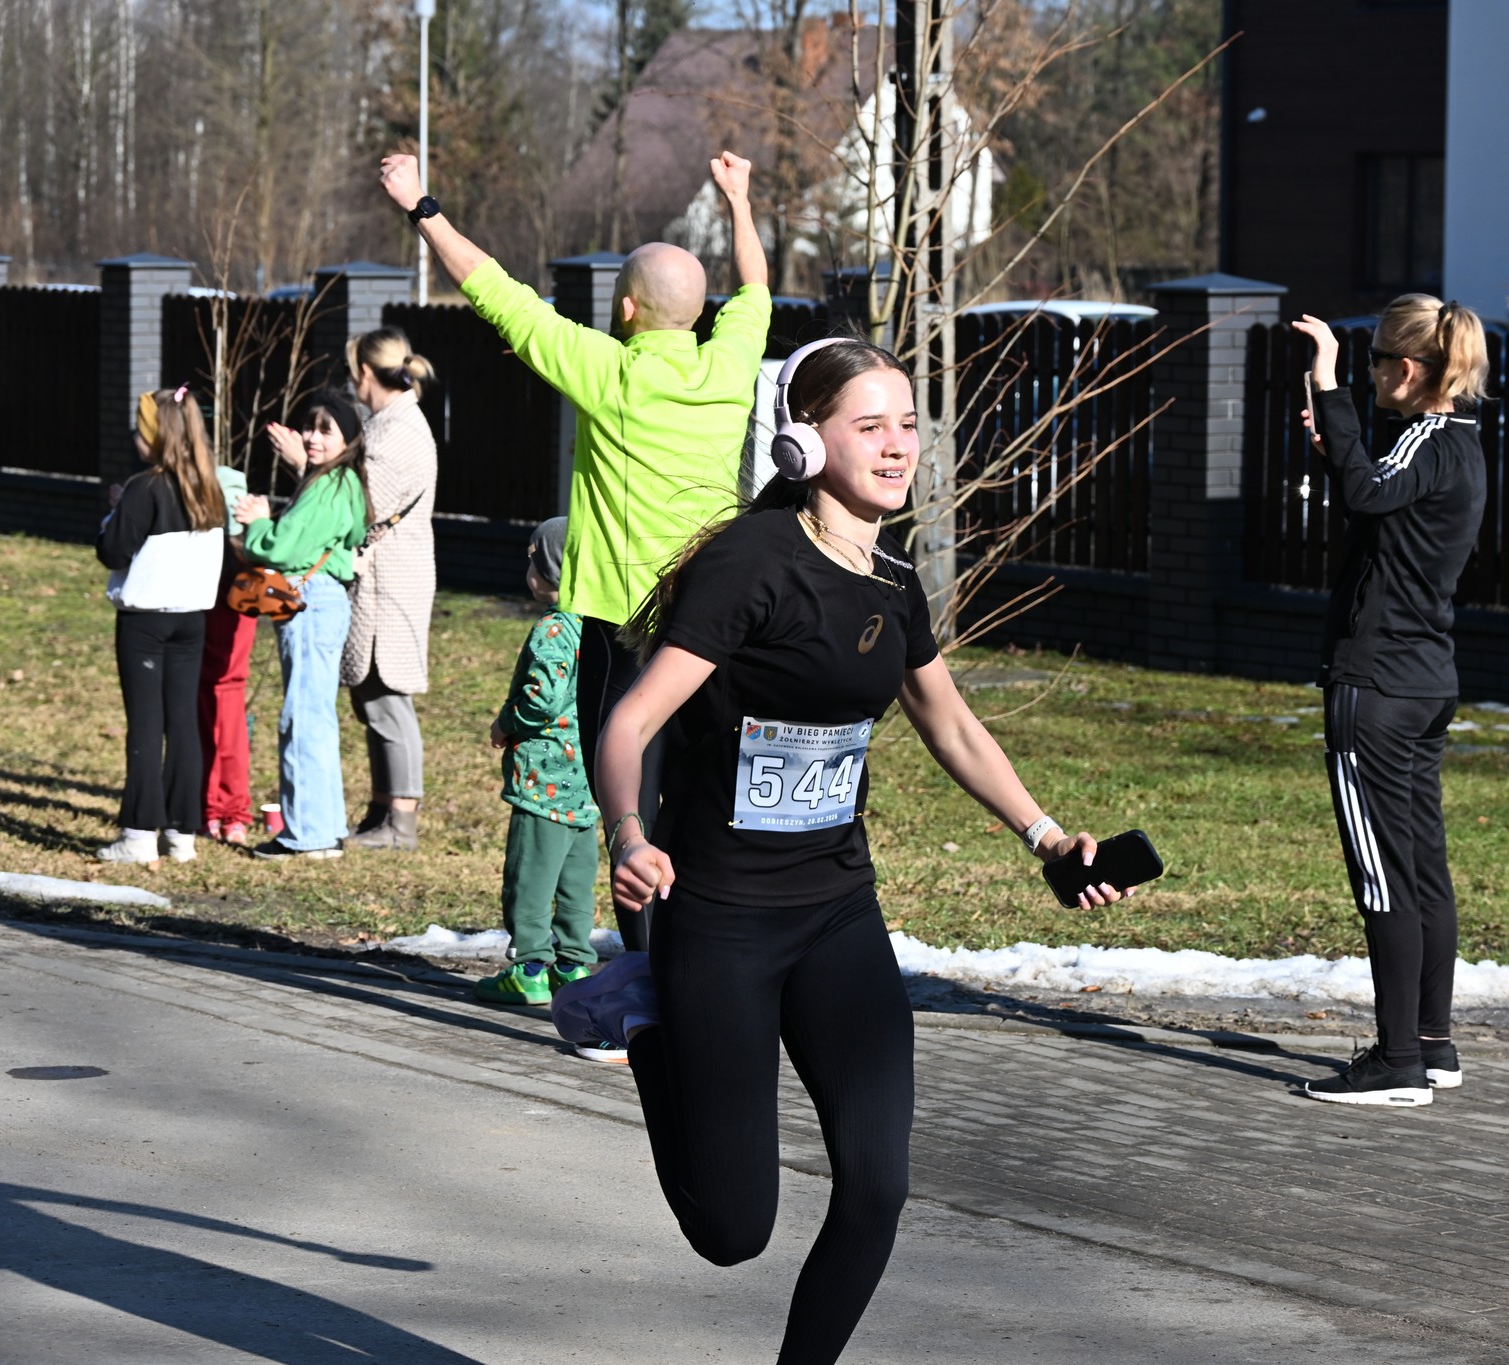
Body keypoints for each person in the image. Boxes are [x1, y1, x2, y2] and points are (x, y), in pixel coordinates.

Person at [560, 339, 1134, 1365]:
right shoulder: (749, 565)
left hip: (834, 914)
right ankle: (648, 1032)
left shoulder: (891, 583)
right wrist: (629, 837)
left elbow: (949, 725)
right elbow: (625, 726)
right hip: (721, 920)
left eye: (906, 422)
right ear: (801, 439)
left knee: (877, 1185)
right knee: (732, 1234)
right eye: (867, 424)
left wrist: (1047, 840)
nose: (896, 444)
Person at [375, 147, 770, 951]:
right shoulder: (732, 365)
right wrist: (738, 200)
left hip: (624, 632)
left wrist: (422, 206)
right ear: (699, 314)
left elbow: (497, 293)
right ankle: (711, 973)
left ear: (624, 311)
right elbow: (756, 286)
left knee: (629, 816)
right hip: (717, 630)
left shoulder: (610, 373)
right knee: (702, 808)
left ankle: (653, 992)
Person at [1294, 296, 1489, 1107]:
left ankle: (1397, 1059)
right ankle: (1432, 1043)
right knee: (1421, 869)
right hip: (1425, 681)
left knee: (1384, 877)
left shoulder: (1427, 440)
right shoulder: (1461, 448)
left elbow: (1369, 495)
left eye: (1375, 362)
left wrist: (1326, 382)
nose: (1369, 374)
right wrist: (1340, 447)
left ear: (1405, 370)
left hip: (1376, 688)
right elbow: (1377, 500)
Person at [474, 516, 608, 1030]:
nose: (527, 567)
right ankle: (574, 965)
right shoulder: (598, 623)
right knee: (577, 879)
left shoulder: (554, 628)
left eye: (533, 558)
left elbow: (543, 696)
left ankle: (529, 966)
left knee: (529, 877)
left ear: (553, 566)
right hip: (586, 777)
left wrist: (508, 723)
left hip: (544, 780)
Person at [234, 393, 372, 862]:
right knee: (315, 716)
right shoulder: (342, 482)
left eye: (325, 429)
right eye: (309, 427)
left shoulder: (331, 484)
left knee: (302, 718)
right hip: (320, 604)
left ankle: (307, 834)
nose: (312, 437)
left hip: (309, 604)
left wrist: (257, 523)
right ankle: (324, 828)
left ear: (348, 439)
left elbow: (279, 549)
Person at [95, 388, 230, 865]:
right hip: (192, 619)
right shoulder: (210, 488)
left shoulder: (144, 487)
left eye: (140, 427)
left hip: (145, 621)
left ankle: (137, 834)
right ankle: (181, 834)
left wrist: (114, 511)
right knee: (183, 724)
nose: (134, 436)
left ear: (155, 435)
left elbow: (113, 551)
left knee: (146, 727)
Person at [340, 326, 440, 852]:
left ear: (363, 372)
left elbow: (362, 506)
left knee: (387, 697)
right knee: (372, 695)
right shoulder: (391, 422)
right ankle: (383, 808)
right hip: (387, 576)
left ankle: (400, 821)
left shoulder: (395, 431)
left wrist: (306, 467)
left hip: (390, 580)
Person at [198, 455, 255, 846]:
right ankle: (229, 812)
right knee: (227, 715)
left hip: (213, 675)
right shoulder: (247, 566)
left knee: (211, 714)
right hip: (226, 679)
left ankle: (218, 809)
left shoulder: (219, 566)